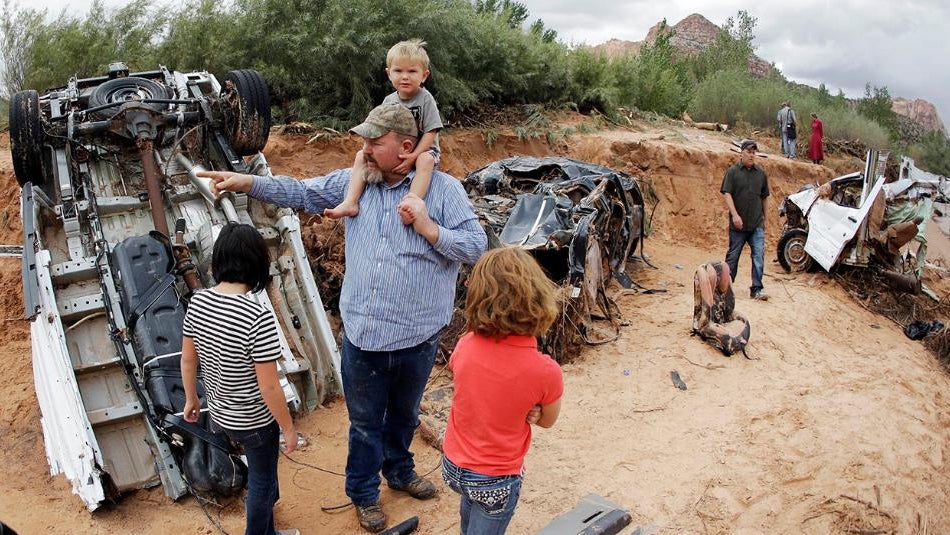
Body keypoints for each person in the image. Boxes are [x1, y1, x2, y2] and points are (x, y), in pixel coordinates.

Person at [197, 103, 487, 533]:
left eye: (375, 142)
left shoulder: (443, 191)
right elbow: (302, 192)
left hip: (418, 337)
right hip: (364, 338)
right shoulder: (358, 182)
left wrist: (430, 228)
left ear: (406, 146)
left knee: (405, 415)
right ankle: (364, 493)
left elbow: (477, 247)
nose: (364, 149)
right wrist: (249, 182)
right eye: (364, 140)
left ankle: (400, 470)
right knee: (365, 425)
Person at [180, 222, 299, 535]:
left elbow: (188, 359)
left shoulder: (198, 302)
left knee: (263, 474)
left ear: (218, 259)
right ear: (258, 264)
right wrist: (288, 428)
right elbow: (269, 386)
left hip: (221, 414)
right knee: (262, 482)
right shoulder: (257, 316)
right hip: (255, 421)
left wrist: (192, 398)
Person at [441, 247, 563, 535]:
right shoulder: (545, 370)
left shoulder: (465, 344)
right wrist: (534, 411)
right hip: (495, 479)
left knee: (469, 513)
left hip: (454, 467)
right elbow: (548, 420)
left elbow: (472, 386)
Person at [325, 39, 443, 223]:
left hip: (424, 150)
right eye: (398, 71)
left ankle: (412, 202)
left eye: (412, 71)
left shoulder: (425, 99)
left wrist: (414, 156)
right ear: (389, 73)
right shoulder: (389, 101)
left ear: (424, 75)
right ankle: (351, 201)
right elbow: (380, 130)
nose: (405, 77)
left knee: (425, 160)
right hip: (396, 151)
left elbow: (431, 131)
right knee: (361, 155)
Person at [721, 139, 770, 301]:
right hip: (738, 226)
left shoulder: (761, 174)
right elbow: (727, 193)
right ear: (741, 152)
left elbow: (764, 197)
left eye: (753, 152)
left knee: (758, 256)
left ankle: (757, 289)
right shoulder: (733, 172)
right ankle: (725, 288)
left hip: (756, 224)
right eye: (748, 152)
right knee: (733, 256)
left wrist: (765, 219)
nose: (751, 155)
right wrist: (735, 215)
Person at [692, 260, 751, 356]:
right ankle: (731, 340)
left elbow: (729, 307)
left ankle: (732, 339)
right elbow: (705, 317)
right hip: (708, 321)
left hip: (721, 319)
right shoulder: (705, 280)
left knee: (743, 321)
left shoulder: (725, 280)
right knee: (727, 336)